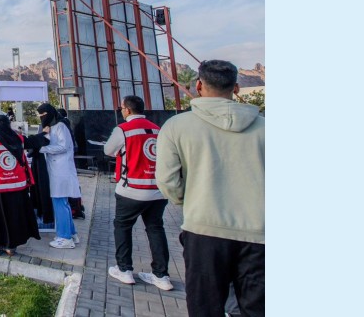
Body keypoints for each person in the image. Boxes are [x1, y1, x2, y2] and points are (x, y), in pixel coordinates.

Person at [156, 60, 264, 316]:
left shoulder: (176, 127)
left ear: (198, 86)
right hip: (259, 235)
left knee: (204, 308)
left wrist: (193, 200)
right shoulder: (266, 128)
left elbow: (167, 180)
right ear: (236, 88)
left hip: (204, 230)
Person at [104, 95, 173, 291]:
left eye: (122, 108)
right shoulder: (157, 129)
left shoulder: (123, 129)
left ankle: (124, 269)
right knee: (155, 229)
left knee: (123, 227)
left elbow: (108, 150)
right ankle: (161, 275)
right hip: (157, 190)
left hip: (131, 189)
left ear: (127, 110)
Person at [0, 115, 40, 256]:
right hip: (17, 185)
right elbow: (35, 141)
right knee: (14, 216)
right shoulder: (19, 139)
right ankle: (11, 246)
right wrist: (45, 133)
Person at [37, 103, 81, 249]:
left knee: (60, 204)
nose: (42, 118)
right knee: (63, 204)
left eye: (43, 115)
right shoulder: (53, 126)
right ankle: (71, 233)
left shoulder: (61, 126)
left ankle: (65, 237)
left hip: (61, 171)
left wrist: (43, 148)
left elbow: (63, 146)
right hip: (57, 170)